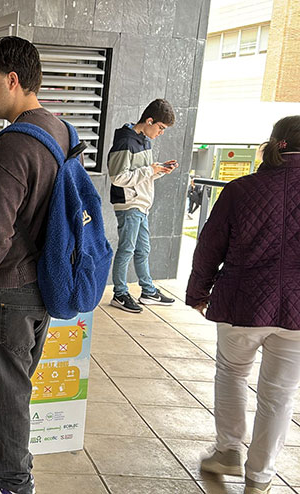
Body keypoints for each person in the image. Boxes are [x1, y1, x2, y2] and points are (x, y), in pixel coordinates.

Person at [0, 36, 64, 494]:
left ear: (13, 80)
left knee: (0, 395)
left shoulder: (13, 143)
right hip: (43, 283)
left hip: (5, 291)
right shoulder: (60, 129)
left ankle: (12, 485)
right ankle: (10, 469)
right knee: (14, 389)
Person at [187, 115, 300, 494]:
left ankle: (228, 450)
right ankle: (260, 478)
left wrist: (198, 292)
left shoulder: (241, 190)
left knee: (232, 373)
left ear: (276, 144)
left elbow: (208, 248)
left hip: (244, 303)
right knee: (279, 394)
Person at [108, 98, 178, 313]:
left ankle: (148, 291)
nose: (161, 133)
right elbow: (117, 177)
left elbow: (141, 175)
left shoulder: (144, 140)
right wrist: (151, 171)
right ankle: (119, 293)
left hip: (141, 204)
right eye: (160, 127)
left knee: (142, 249)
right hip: (129, 204)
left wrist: (159, 171)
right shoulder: (126, 141)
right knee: (127, 249)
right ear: (149, 120)